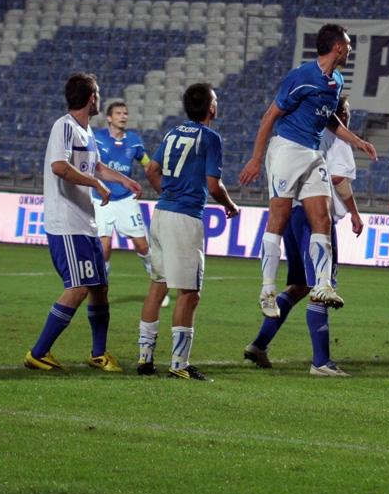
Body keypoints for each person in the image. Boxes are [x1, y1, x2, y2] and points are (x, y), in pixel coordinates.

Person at [239, 24, 376, 319]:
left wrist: (359, 141)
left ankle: (323, 285)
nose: (351, 50)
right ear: (338, 47)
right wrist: (255, 158)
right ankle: (266, 290)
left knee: (323, 217)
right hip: (287, 149)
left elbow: (330, 122)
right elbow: (270, 115)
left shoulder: (336, 81)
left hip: (313, 154)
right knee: (280, 217)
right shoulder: (301, 76)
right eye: (349, 45)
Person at [25, 73, 143, 372]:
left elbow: (96, 166)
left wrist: (123, 179)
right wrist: (96, 184)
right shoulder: (64, 126)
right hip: (66, 223)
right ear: (92, 98)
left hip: (85, 222)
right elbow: (59, 167)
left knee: (99, 288)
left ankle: (98, 354)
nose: (99, 98)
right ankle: (38, 353)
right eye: (99, 94)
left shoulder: (86, 131)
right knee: (78, 288)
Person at [244, 96, 364, 376]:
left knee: (299, 286)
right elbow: (338, 179)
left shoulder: (300, 132)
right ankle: (321, 361)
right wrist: (355, 213)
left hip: (291, 215)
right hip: (314, 217)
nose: (346, 116)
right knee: (323, 286)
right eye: (344, 111)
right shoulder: (336, 139)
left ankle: (259, 344)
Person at [136, 83, 238, 381]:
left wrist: (168, 195)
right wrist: (230, 206)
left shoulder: (172, 133)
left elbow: (151, 171)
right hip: (184, 219)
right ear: (210, 108)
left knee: (158, 287)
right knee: (190, 294)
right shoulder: (211, 138)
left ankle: (145, 358)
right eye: (215, 100)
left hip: (161, 214)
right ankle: (179, 365)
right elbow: (214, 185)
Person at [91, 100, 169, 308]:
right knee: (104, 248)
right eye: (118, 113)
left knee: (142, 245)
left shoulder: (134, 141)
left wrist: (160, 176)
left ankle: (159, 284)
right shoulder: (97, 139)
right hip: (101, 199)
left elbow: (147, 164)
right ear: (109, 118)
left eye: (125, 113)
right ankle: (101, 289)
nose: (123, 116)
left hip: (126, 199)